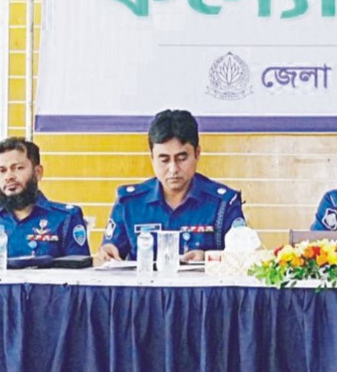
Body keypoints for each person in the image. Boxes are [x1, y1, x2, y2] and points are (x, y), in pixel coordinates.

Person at [95, 109, 244, 264]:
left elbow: (243, 259)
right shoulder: (129, 203)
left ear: (197, 153)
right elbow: (109, 252)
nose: (173, 169)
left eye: (181, 158)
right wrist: (107, 252)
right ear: (152, 158)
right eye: (164, 160)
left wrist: (208, 259)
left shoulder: (224, 203)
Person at [0, 137, 89, 262]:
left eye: (18, 168)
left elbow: (78, 272)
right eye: (2, 170)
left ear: (38, 173)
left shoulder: (65, 218)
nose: (8, 177)